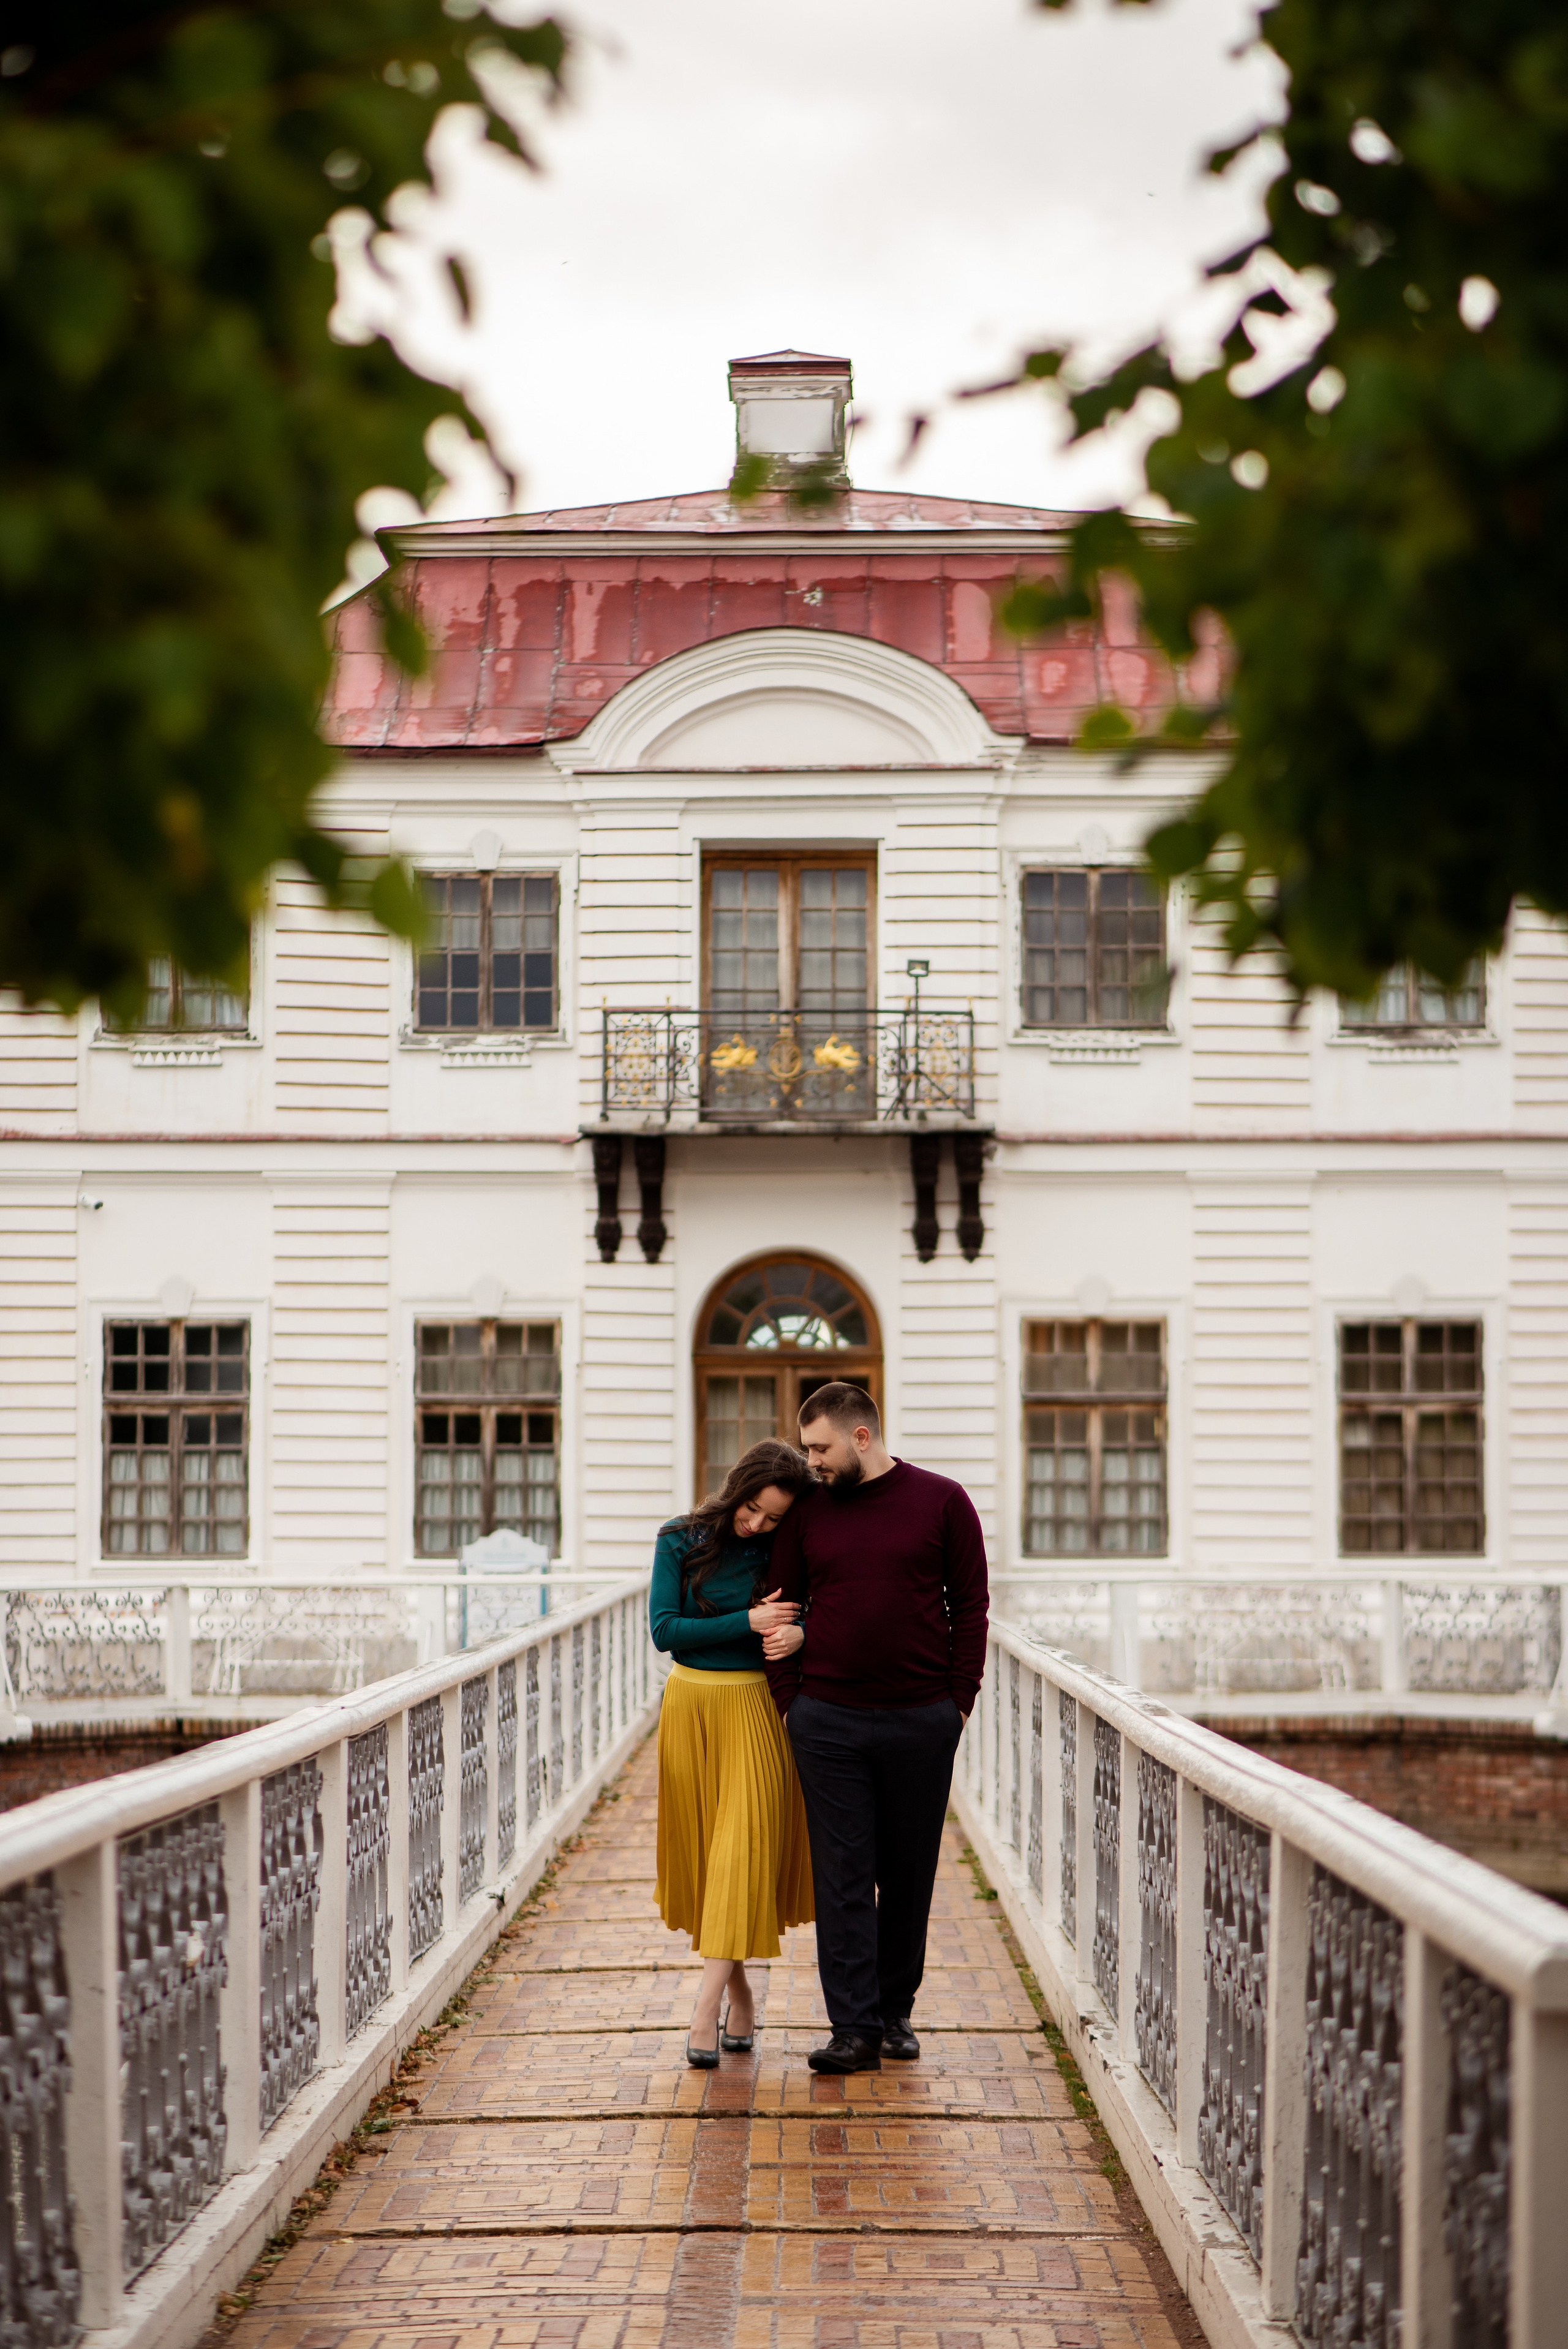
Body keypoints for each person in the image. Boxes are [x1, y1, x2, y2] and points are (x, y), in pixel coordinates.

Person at [763, 1381, 989, 2074]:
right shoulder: (808, 1512)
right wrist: (791, 1702)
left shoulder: (943, 1501)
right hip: (826, 1720)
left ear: (861, 1437)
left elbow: (971, 1606)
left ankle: (894, 2013)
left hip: (921, 1720)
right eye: (807, 1448)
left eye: (820, 1447)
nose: (811, 1461)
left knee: (908, 1872)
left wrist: (957, 1705)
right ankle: (853, 2028)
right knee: (843, 1875)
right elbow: (777, 1606)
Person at [649, 1438, 816, 2067]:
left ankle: (703, 2012)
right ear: (736, 1487)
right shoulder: (679, 1537)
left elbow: (817, 1616)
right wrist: (748, 1622)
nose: (758, 1524)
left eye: (774, 1517)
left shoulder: (786, 1551)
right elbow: (665, 1630)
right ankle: (741, 1995)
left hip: (757, 1708)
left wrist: (797, 1633)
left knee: (739, 1854)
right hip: (689, 1705)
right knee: (706, 1860)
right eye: (752, 1509)